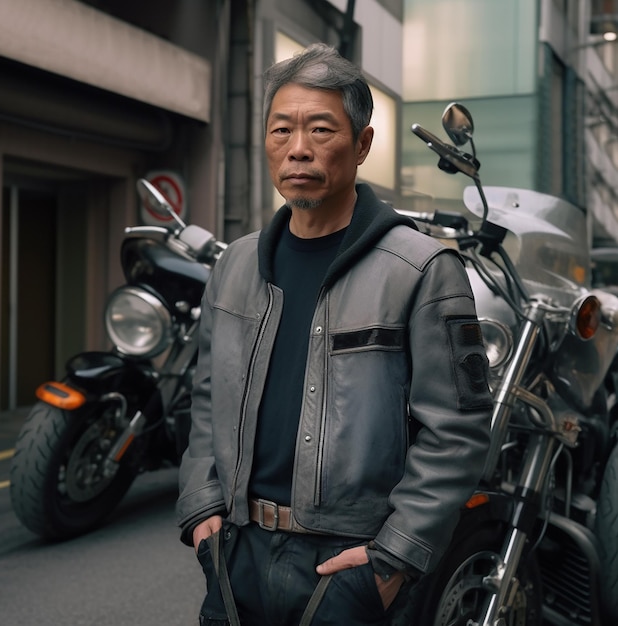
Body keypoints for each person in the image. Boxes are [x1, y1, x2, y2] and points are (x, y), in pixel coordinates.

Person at [177, 42, 492, 626]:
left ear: (363, 144)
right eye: (281, 130)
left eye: (321, 129)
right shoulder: (236, 265)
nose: (298, 148)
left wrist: (392, 559)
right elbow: (205, 399)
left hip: (348, 564)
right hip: (234, 550)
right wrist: (202, 511)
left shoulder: (421, 270)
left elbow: (458, 430)